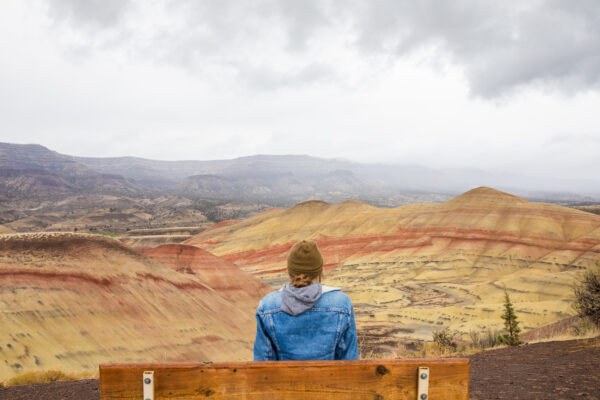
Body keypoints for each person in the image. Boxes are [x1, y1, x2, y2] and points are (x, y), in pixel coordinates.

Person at [253, 239, 359, 360]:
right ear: (319, 272)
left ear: (290, 272)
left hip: (285, 379)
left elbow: (263, 362)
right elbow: (349, 360)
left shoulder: (267, 306)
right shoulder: (341, 304)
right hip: (329, 378)